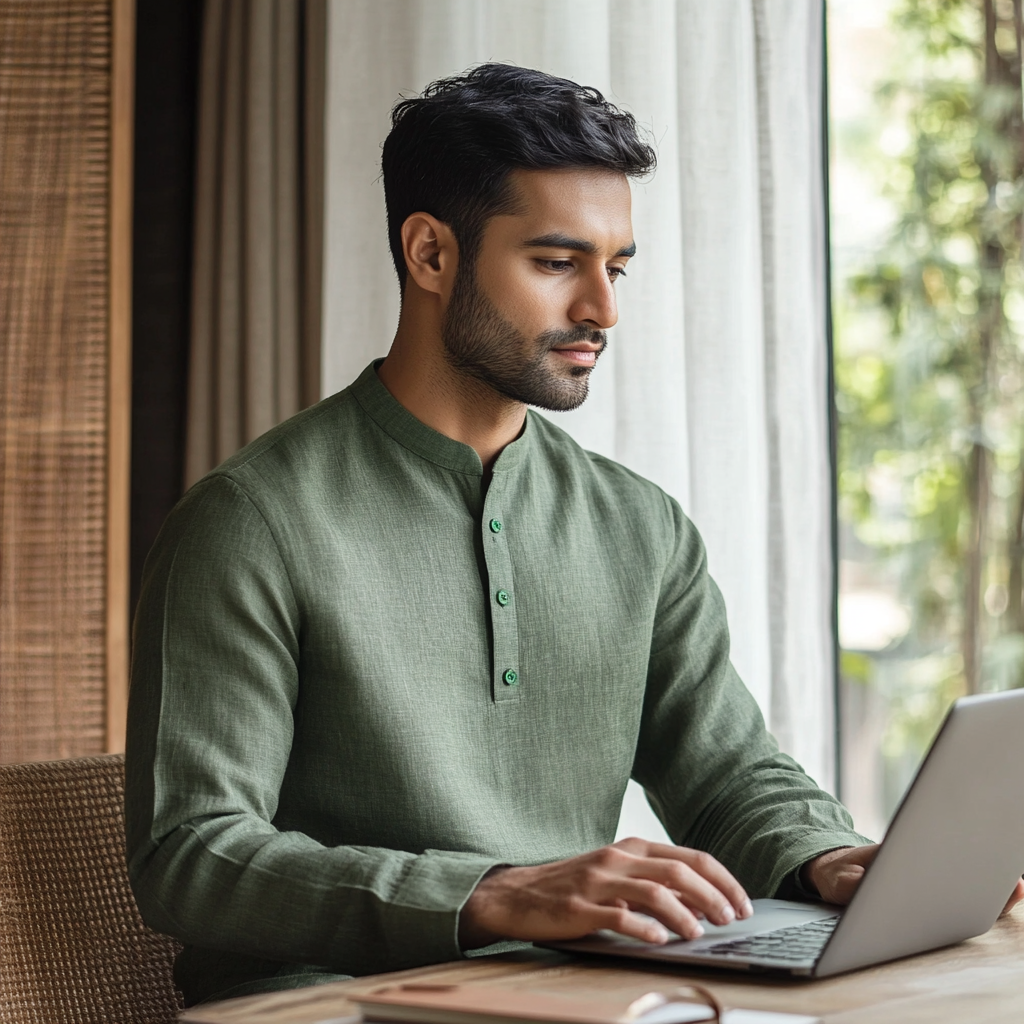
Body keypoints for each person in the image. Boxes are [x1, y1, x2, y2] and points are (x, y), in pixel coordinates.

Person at [124, 63, 1022, 1007]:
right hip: (330, 1003)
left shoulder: (638, 525)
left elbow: (724, 773)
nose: (603, 308)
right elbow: (191, 853)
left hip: (577, 994)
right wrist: (495, 893)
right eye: (557, 263)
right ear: (430, 255)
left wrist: (832, 858)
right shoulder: (253, 519)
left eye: (616, 265)